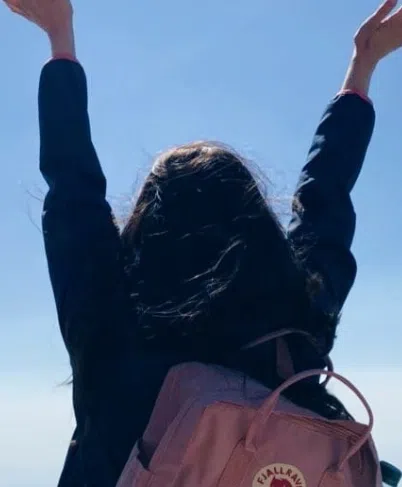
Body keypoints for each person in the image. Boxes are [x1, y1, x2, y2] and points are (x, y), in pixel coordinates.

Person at [4, 0, 402, 485]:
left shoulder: (109, 322)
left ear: (146, 229)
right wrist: (363, 66)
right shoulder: (298, 327)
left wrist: (60, 38)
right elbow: (326, 198)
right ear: (258, 230)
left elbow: (72, 192)